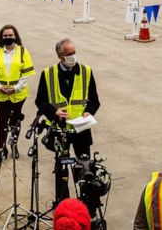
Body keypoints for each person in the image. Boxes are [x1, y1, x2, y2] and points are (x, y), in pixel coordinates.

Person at [35, 38, 100, 201]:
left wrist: (88, 112)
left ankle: (87, 205)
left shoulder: (86, 72)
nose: (72, 57)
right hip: (60, 131)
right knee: (61, 170)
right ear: (60, 56)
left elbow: (94, 100)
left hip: (81, 130)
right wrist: (54, 112)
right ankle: (63, 203)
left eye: (74, 53)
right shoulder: (48, 74)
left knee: (85, 169)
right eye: (68, 54)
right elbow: (40, 101)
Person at [0, 25, 35, 163]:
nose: (8, 38)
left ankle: (13, 146)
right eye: (5, 36)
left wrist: (16, 88)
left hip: (18, 95)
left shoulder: (23, 52)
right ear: (1, 37)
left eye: (10, 35)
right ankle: (2, 150)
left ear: (15, 36)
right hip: (0, 95)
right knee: (1, 123)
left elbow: (26, 74)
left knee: (15, 122)